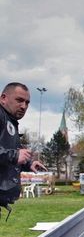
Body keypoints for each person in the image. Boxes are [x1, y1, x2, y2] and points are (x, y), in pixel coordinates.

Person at [0, 83, 47, 218]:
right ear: (3, 98)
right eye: (19, 100)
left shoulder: (10, 122)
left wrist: (28, 163)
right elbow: (12, 154)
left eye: (27, 102)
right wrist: (15, 156)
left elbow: (8, 151)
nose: (24, 106)